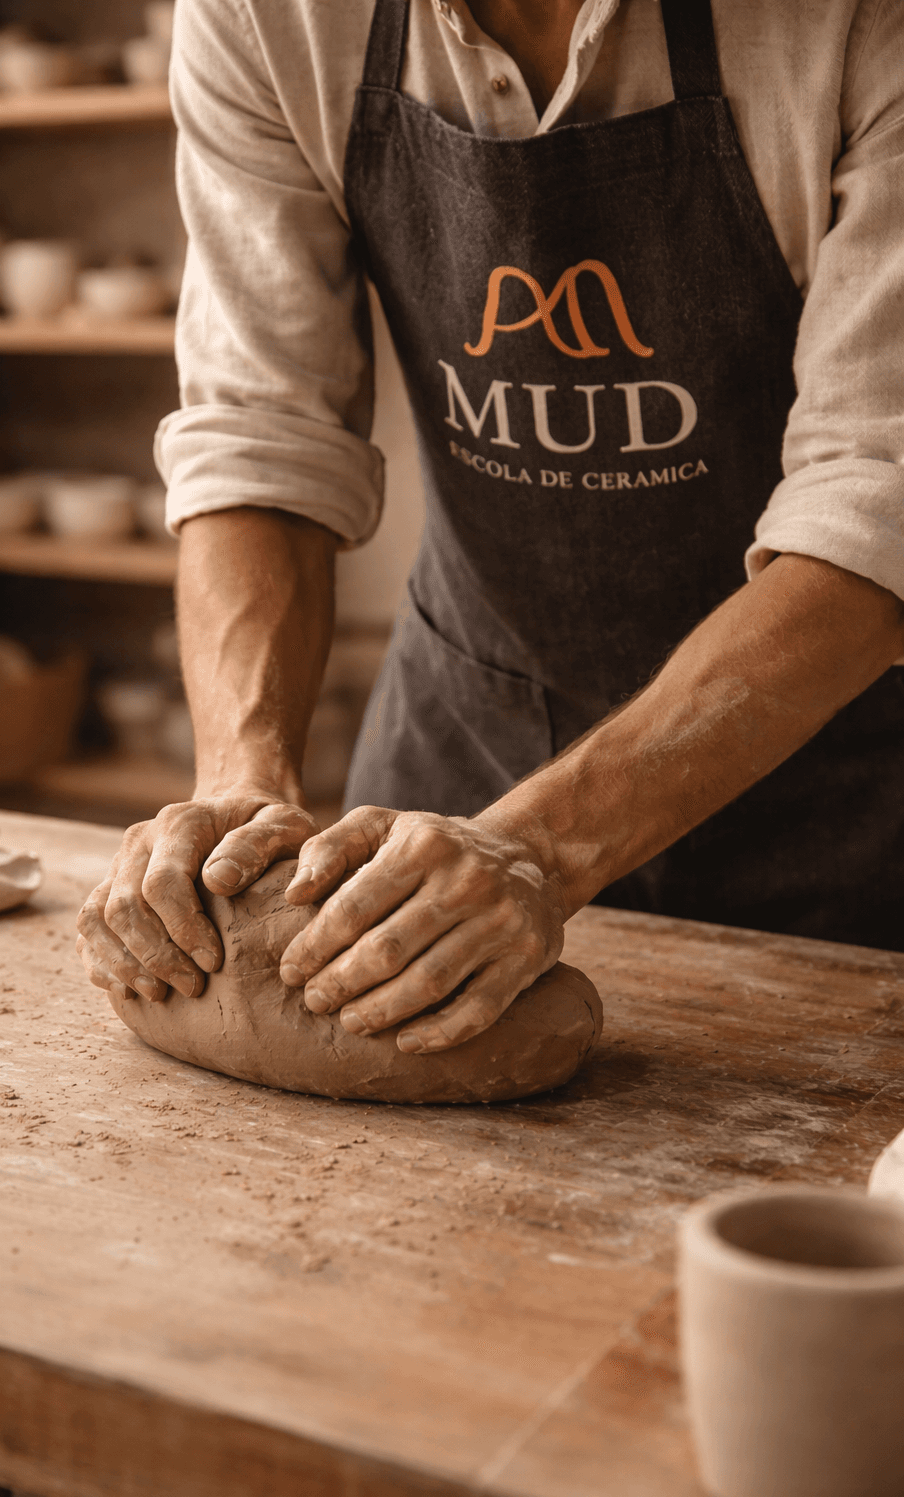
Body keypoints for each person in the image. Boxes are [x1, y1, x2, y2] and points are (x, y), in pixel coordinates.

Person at [77, 0, 904, 1057]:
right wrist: (240, 781)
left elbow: (875, 495)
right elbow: (262, 427)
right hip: (466, 720)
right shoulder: (265, 13)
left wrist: (540, 850)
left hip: (835, 764)